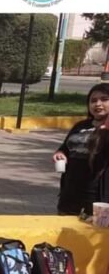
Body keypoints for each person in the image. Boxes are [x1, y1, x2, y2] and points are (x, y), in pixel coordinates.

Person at [56, 83, 109, 215]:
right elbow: (65, 148)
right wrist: (60, 153)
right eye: (93, 100)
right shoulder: (81, 125)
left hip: (97, 196)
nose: (98, 104)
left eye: (104, 99)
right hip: (70, 191)